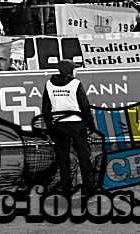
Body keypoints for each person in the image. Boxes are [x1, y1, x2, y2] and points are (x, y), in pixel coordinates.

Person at [42, 60, 98, 193]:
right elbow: (84, 107)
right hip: (77, 125)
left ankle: (67, 187)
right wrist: (91, 125)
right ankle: (89, 186)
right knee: (84, 156)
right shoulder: (75, 83)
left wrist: (50, 128)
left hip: (59, 126)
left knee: (63, 158)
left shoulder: (49, 84)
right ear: (70, 69)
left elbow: (46, 109)